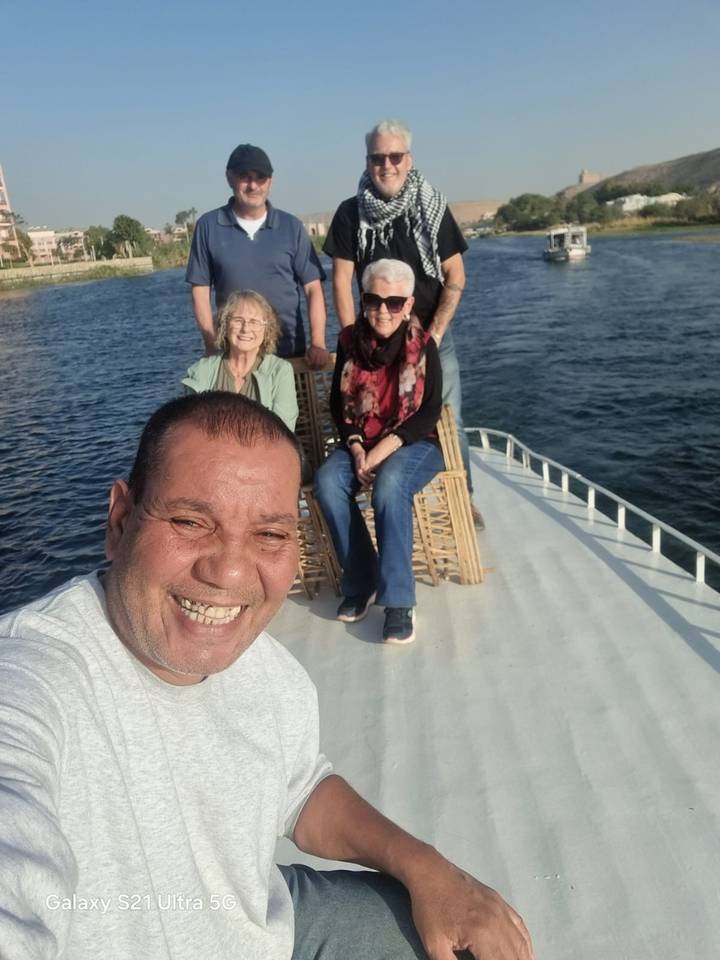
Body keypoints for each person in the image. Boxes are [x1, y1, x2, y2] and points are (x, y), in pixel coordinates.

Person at [0, 392, 534, 960]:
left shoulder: (270, 670)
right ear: (120, 521)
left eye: (271, 535)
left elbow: (299, 789)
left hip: (251, 920)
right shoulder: (32, 676)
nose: (229, 571)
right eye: (190, 521)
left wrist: (427, 867)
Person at [323, 119, 485, 527]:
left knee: (450, 419)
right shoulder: (350, 214)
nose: (387, 165)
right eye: (378, 158)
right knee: (366, 418)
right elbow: (341, 281)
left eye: (395, 156)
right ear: (368, 161)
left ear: (408, 160)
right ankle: (382, 488)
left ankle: (464, 498)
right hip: (372, 343)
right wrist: (352, 341)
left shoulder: (431, 207)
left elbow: (456, 276)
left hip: (429, 339)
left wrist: (434, 335)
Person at [313, 259, 443, 646]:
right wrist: (355, 447)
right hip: (362, 443)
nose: (383, 311)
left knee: (390, 485)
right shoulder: (348, 342)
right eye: (374, 300)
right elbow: (339, 405)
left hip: (415, 443)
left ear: (409, 304)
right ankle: (362, 579)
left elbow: (429, 412)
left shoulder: (423, 345)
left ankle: (399, 601)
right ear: (363, 299)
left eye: (394, 302)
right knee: (327, 482)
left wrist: (380, 452)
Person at [186, 143, 330, 368]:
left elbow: (313, 288)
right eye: (245, 177)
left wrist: (318, 343)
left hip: (289, 355)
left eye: (260, 177)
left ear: (270, 182)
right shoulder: (208, 226)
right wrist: (212, 347)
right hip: (233, 360)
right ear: (229, 178)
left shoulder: (292, 227)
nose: (253, 185)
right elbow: (200, 292)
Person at [181, 288, 298, 431]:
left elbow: (283, 431)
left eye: (254, 322)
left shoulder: (280, 371)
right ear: (225, 326)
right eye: (238, 320)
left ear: (266, 330)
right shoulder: (201, 371)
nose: (245, 329)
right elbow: (192, 429)